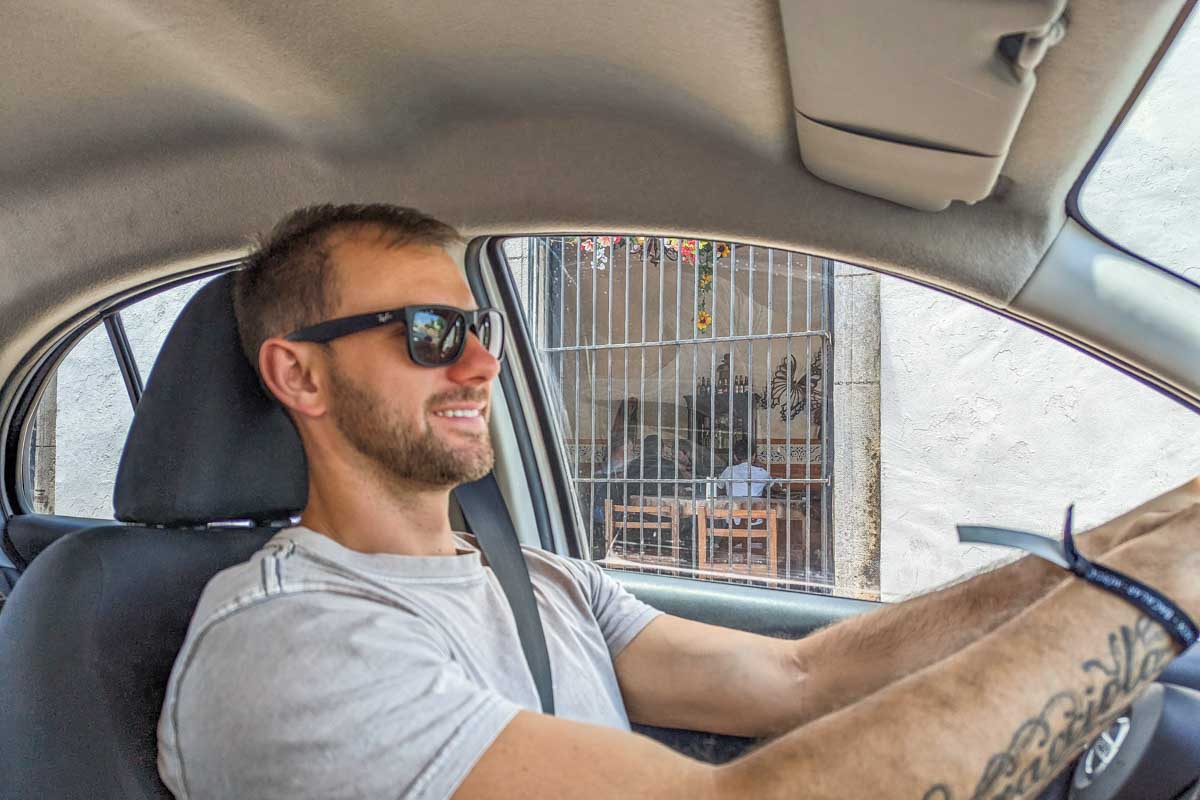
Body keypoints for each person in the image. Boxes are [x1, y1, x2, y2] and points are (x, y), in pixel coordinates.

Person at [157, 203, 1200, 800]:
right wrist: (1147, 593)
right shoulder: (289, 645)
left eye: (483, 328)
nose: (482, 364)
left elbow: (798, 673)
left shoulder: (543, 579)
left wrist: (1107, 547)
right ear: (299, 376)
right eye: (430, 335)